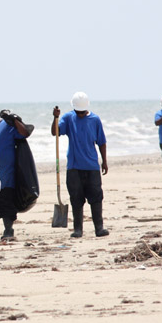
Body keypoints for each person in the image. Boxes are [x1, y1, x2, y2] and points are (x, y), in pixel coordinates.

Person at [51, 92, 109, 238]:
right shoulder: (68, 118)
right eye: (78, 112)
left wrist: (104, 161)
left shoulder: (95, 119)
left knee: (96, 198)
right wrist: (55, 118)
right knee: (76, 198)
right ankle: (78, 229)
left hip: (92, 166)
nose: (81, 114)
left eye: (82, 112)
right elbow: (55, 133)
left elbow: (101, 142)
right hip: (74, 167)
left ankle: (99, 228)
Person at [0, 97, 33, 239]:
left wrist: (14, 119)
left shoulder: (6, 125)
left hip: (7, 174)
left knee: (7, 203)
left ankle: (9, 231)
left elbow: (25, 133)